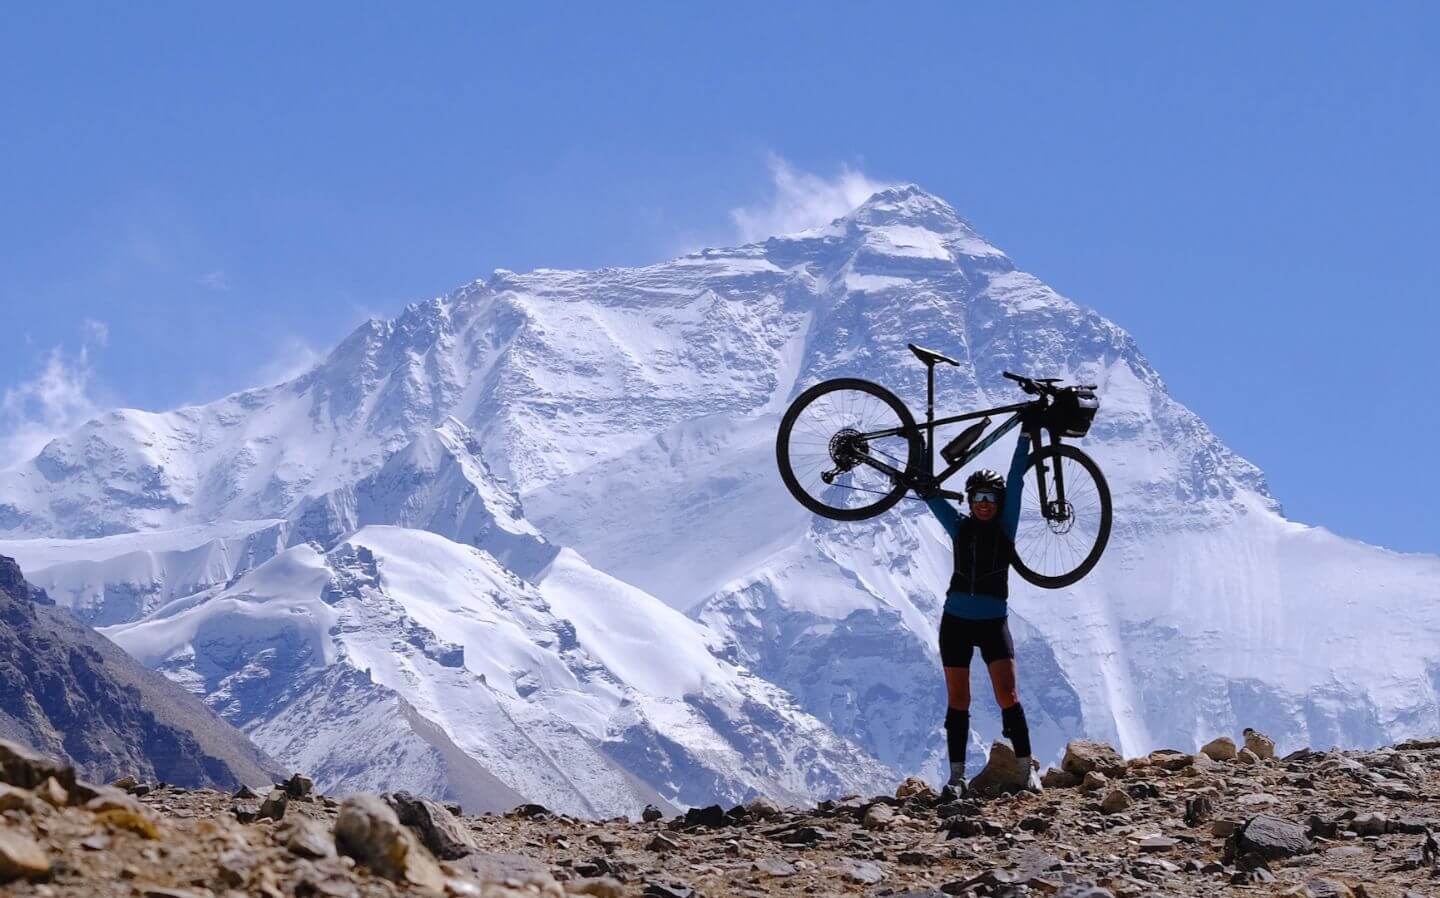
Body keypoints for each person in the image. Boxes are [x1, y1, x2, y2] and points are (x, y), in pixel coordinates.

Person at [923, 433, 1042, 795]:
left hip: (993, 622)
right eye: (978, 497)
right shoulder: (959, 528)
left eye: (991, 497)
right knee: (959, 701)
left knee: (1008, 695)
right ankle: (956, 778)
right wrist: (920, 457)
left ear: (999, 501)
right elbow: (928, 493)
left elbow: (1018, 475)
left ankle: (1026, 771)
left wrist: (1024, 439)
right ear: (970, 500)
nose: (984, 504)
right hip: (955, 622)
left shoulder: (1007, 527)